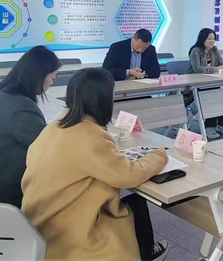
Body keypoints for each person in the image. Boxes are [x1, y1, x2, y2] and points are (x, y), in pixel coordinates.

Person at [22, 68, 169, 261]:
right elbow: (129, 175)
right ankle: (146, 254)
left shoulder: (53, 127)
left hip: (40, 226)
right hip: (70, 236)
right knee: (134, 206)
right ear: (103, 100)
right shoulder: (89, 136)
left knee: (133, 203)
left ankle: (146, 253)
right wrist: (159, 155)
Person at [0, 46, 60, 208]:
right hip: (10, 191)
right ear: (39, 76)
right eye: (52, 77)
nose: (52, 82)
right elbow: (49, 146)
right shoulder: (21, 107)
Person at [186, 28, 223, 139]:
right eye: (209, 39)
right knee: (211, 96)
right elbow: (198, 69)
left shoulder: (214, 50)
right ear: (203, 39)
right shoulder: (195, 51)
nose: (212, 41)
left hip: (211, 83)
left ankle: (221, 124)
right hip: (195, 84)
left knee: (220, 95)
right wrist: (216, 69)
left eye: (213, 39)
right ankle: (209, 126)